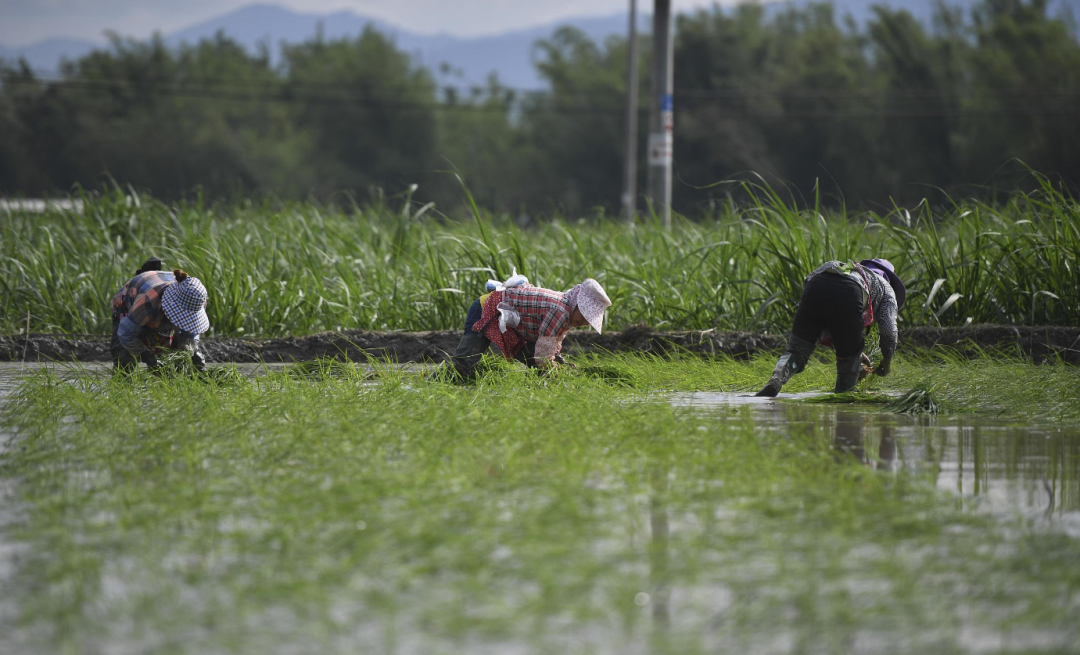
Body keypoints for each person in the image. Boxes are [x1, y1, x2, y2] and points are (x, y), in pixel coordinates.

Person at [756, 258, 905, 396]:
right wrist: (886, 362)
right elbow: (889, 332)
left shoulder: (849, 268)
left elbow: (818, 293)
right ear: (888, 278)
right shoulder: (886, 287)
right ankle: (844, 402)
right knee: (849, 362)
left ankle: (776, 379)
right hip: (850, 292)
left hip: (815, 284)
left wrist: (848, 344)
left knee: (797, 350)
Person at [446, 276, 612, 381]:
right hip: (485, 309)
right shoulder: (559, 311)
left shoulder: (566, 314)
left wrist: (557, 361)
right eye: (583, 314)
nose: (584, 322)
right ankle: (430, 381)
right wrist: (552, 369)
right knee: (464, 365)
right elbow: (543, 355)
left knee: (536, 364)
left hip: (511, 322)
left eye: (588, 319)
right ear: (576, 304)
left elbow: (549, 344)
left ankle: (543, 383)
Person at [110, 267, 211, 372]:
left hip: (156, 305)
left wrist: (192, 351)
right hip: (130, 302)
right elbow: (126, 333)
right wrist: (146, 356)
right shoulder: (148, 302)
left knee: (177, 355)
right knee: (124, 358)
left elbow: (190, 333)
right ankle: (123, 377)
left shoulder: (197, 300)